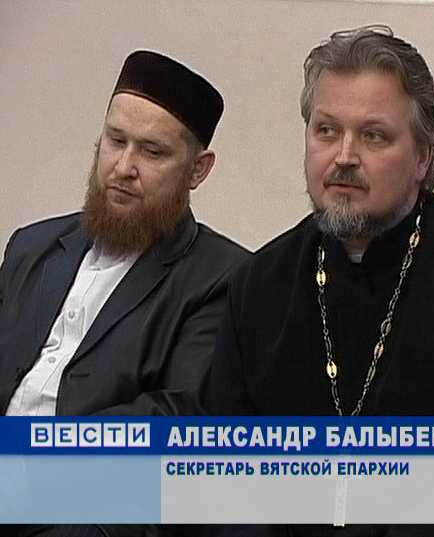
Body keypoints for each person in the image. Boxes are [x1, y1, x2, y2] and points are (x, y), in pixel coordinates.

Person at [204, 25, 434, 536]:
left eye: (373, 135)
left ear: (422, 157)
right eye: (326, 130)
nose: (344, 156)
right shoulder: (257, 285)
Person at [0, 50, 249, 417]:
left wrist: (39, 444)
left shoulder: (223, 278)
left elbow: (179, 412)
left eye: (152, 152)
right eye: (116, 141)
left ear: (197, 169)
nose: (123, 167)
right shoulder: (32, 247)